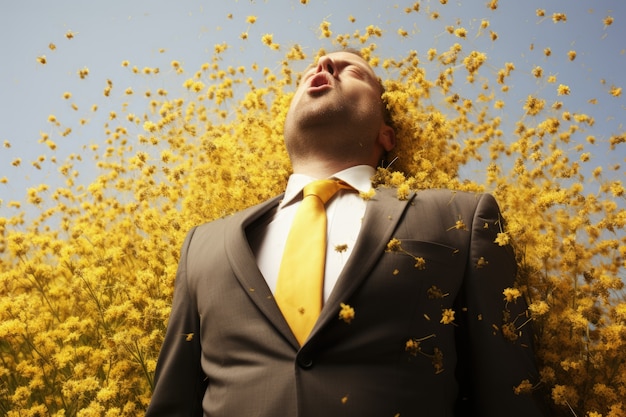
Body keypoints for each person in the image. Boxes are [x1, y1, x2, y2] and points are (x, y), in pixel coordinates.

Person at [146, 50, 547, 416]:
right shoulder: (204, 244)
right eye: (311, 69)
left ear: (387, 133)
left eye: (352, 70)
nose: (323, 67)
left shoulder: (463, 215)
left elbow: (508, 395)